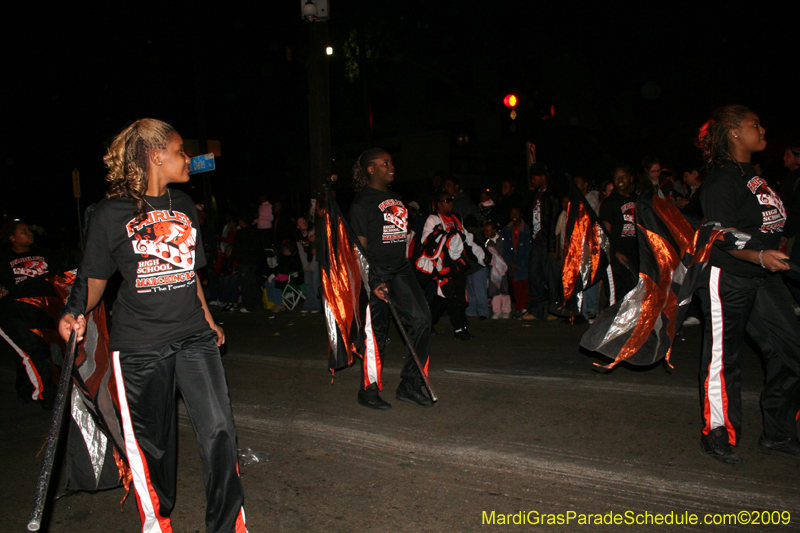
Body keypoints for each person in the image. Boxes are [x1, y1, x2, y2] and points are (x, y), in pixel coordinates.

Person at [58, 119, 248, 532]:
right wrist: (73, 313)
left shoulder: (184, 205)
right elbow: (93, 281)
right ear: (156, 155)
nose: (188, 160)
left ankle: (227, 525)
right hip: (140, 345)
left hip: (193, 336)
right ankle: (157, 521)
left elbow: (190, 273)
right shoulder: (109, 213)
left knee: (220, 430)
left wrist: (211, 322)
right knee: (154, 449)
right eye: (182, 151)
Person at [695, 105, 800, 465]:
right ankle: (718, 432)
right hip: (730, 275)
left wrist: (774, 250)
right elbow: (719, 233)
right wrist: (758, 255)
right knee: (725, 357)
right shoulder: (721, 179)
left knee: (791, 348)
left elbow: (770, 222)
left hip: (765, 276)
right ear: (734, 133)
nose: (762, 128)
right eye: (755, 124)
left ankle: (778, 431)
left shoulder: (752, 175)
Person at [348, 148, 433, 410]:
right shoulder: (361, 203)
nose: (391, 167)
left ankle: (409, 384)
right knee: (377, 334)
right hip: (377, 272)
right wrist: (372, 280)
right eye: (385, 163)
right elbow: (359, 250)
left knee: (422, 320)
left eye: (392, 163)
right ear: (371, 169)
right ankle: (368, 390)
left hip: (401, 270)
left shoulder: (396, 198)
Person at [0, 221, 58, 408]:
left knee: (33, 351)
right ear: (12, 238)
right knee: (33, 350)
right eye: (23, 232)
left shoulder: (44, 253)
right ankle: (47, 396)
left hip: (40, 309)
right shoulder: (3, 257)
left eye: (29, 230)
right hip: (13, 311)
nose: (30, 234)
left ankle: (25, 389)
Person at [417, 189, 486, 340]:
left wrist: (483, 256)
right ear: (439, 204)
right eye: (447, 200)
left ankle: (428, 324)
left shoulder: (456, 218)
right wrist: (445, 237)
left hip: (457, 266)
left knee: (444, 298)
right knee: (454, 296)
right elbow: (425, 241)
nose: (451, 203)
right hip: (442, 268)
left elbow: (468, 239)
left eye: (451, 200)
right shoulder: (433, 219)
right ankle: (460, 329)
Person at [521, 164, 560, 321]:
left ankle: (554, 310)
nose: (533, 180)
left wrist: (552, 247)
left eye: (535, 177)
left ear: (543, 177)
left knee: (551, 278)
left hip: (546, 243)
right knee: (534, 276)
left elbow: (553, 223)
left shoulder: (552, 195)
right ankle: (536, 310)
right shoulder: (534, 195)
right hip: (535, 242)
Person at [599, 166, 639, 302]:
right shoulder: (609, 203)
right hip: (616, 259)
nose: (620, 180)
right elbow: (605, 234)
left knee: (634, 297)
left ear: (630, 178)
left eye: (623, 176)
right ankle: (612, 323)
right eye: (616, 177)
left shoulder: (637, 200)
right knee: (617, 299)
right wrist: (615, 253)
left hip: (635, 257)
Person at [501, 207, 531, 315]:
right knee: (516, 288)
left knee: (525, 287)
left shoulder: (526, 229)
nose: (514, 216)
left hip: (523, 264)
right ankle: (519, 308)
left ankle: (525, 308)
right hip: (513, 265)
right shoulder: (507, 229)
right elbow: (505, 248)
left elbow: (528, 249)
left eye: (516, 213)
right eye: (512, 214)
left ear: (521, 214)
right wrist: (509, 262)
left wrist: (520, 263)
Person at [484, 220, 510, 318]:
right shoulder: (488, 243)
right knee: (494, 290)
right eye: (485, 231)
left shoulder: (503, 239)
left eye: (488, 230)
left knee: (505, 289)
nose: (486, 233)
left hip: (503, 269)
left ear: (494, 230)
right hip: (494, 270)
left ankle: (506, 310)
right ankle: (497, 311)